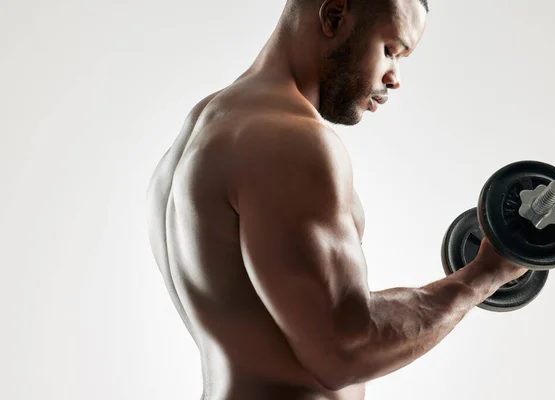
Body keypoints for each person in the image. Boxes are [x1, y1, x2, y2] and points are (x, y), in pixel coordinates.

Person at [145, 0, 528, 398]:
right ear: (334, 16)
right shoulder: (290, 141)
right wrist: (483, 276)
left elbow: (314, 318)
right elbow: (345, 349)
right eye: (390, 50)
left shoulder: (205, 125)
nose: (395, 78)